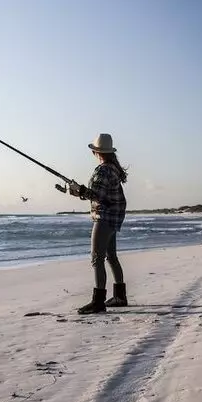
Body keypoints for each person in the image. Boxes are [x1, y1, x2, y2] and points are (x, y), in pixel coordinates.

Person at [68, 133, 128, 314]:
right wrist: (80, 191)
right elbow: (102, 194)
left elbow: (98, 196)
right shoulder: (113, 169)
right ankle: (120, 297)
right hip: (114, 217)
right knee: (111, 257)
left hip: (104, 218)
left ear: (96, 152)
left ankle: (98, 302)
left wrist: (80, 191)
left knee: (96, 259)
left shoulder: (103, 170)